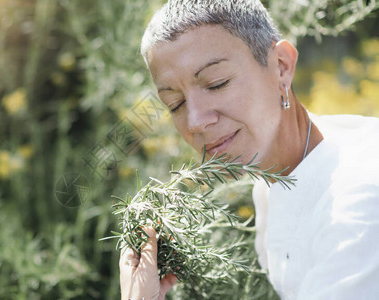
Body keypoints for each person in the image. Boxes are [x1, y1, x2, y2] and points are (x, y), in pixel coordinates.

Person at [119, 0, 379, 299]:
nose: (195, 122)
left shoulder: (359, 210)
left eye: (217, 83)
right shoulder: (270, 177)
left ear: (281, 66)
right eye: (175, 104)